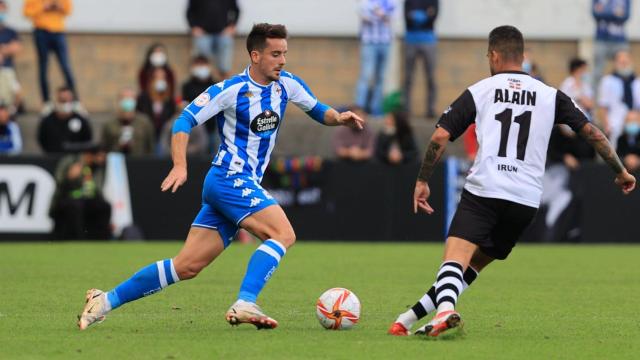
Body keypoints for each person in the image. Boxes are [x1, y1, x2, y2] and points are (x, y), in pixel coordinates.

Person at [77, 23, 364, 331]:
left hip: (237, 185)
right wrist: (180, 165)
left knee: (186, 266)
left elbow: (318, 109)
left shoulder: (287, 85)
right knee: (283, 234)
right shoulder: (231, 90)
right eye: (275, 54)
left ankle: (103, 301)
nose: (282, 60)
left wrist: (339, 118)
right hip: (228, 177)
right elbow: (183, 121)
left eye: (285, 53)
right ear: (255, 55)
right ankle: (244, 302)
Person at [388, 25, 636, 338]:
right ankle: (407, 319)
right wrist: (620, 171)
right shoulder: (550, 95)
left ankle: (446, 310)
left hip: (486, 190)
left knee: (455, 257)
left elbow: (440, 135)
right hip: (525, 201)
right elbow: (593, 133)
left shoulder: (482, 90)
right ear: (521, 57)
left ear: (493, 55)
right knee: (472, 266)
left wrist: (423, 179)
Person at [49, 144, 111, 240]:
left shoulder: (98, 168)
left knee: (105, 206)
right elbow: (59, 181)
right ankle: (78, 239)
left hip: (88, 199)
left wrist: (91, 182)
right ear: (89, 155)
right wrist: (69, 177)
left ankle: (102, 240)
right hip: (66, 198)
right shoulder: (69, 161)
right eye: (99, 156)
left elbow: (98, 189)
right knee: (76, 206)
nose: (102, 159)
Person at [23, 0, 77, 110]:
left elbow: (68, 10)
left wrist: (58, 6)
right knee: (43, 67)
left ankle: (75, 100)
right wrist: (43, 6)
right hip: (41, 31)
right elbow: (27, 12)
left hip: (58, 31)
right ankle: (46, 102)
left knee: (65, 66)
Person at [355, 0, 396, 116]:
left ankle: (375, 108)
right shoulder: (365, 1)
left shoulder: (389, 1)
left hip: (385, 42)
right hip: (369, 42)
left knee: (381, 76)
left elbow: (393, 15)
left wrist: (379, 13)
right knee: (366, 75)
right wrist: (382, 15)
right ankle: (359, 107)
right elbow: (364, 15)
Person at [597, 49, 640, 147]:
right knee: (617, 152)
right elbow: (603, 105)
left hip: (634, 124)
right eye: (621, 62)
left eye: (626, 62)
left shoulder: (637, 82)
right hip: (615, 123)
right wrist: (606, 124)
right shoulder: (607, 81)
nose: (624, 64)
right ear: (616, 63)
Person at [403, 0, 438, 118]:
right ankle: (406, 109)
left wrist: (416, 16)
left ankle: (430, 109)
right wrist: (425, 15)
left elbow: (433, 17)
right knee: (408, 77)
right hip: (411, 40)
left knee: (430, 77)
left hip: (428, 40)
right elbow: (407, 18)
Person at [187, 0, 239, 79]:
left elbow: (236, 10)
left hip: (223, 34)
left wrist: (232, 27)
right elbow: (190, 11)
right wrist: (194, 27)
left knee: (225, 66)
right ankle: (204, 88)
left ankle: (225, 88)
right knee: (202, 66)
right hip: (203, 34)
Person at [38, 86, 92, 153]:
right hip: (52, 156)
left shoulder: (80, 120)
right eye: (62, 100)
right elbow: (42, 139)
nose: (65, 104)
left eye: (67, 100)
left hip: (76, 158)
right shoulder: (48, 120)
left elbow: (87, 140)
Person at [592, 0, 631, 94]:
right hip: (601, 38)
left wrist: (604, 11)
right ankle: (596, 102)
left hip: (619, 39)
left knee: (625, 70)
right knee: (598, 72)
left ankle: (626, 98)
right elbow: (595, 13)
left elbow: (625, 16)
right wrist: (615, 12)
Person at [101, 88, 155, 155]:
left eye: (130, 99)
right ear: (119, 101)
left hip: (139, 162)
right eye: (124, 99)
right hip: (116, 162)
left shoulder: (144, 123)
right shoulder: (109, 124)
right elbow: (103, 148)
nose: (128, 102)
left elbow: (150, 148)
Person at [182, 55, 218, 152]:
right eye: (198, 65)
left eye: (203, 64)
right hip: (193, 131)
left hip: (212, 128)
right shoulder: (187, 86)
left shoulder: (216, 85)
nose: (201, 67)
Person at [137, 67, 177, 138]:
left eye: (163, 78)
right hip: (147, 135)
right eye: (157, 77)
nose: (160, 80)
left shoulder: (170, 100)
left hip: (165, 136)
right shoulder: (144, 98)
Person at [0, 0, 22, 113]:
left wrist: (3, 50)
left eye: (2, 10)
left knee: (15, 94)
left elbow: (16, 48)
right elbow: (11, 47)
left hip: (7, 71)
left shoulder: (11, 32)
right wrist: (6, 48)